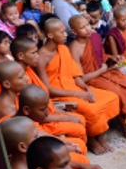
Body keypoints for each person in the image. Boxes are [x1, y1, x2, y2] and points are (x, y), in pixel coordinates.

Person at [37, 18, 120, 154]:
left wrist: (87, 90)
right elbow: (48, 89)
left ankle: (100, 136)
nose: (66, 35)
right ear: (50, 35)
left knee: (111, 97)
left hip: (74, 87)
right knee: (91, 109)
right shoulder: (42, 57)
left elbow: (76, 75)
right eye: (62, 32)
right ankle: (92, 140)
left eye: (65, 31)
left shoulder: (63, 49)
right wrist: (80, 94)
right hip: (59, 94)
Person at [68, 15, 126, 138]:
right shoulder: (74, 48)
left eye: (87, 25)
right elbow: (80, 78)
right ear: (73, 31)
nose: (87, 29)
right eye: (82, 28)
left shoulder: (95, 37)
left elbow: (100, 56)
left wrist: (111, 58)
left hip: (104, 72)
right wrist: (102, 70)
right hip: (91, 80)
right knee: (119, 92)